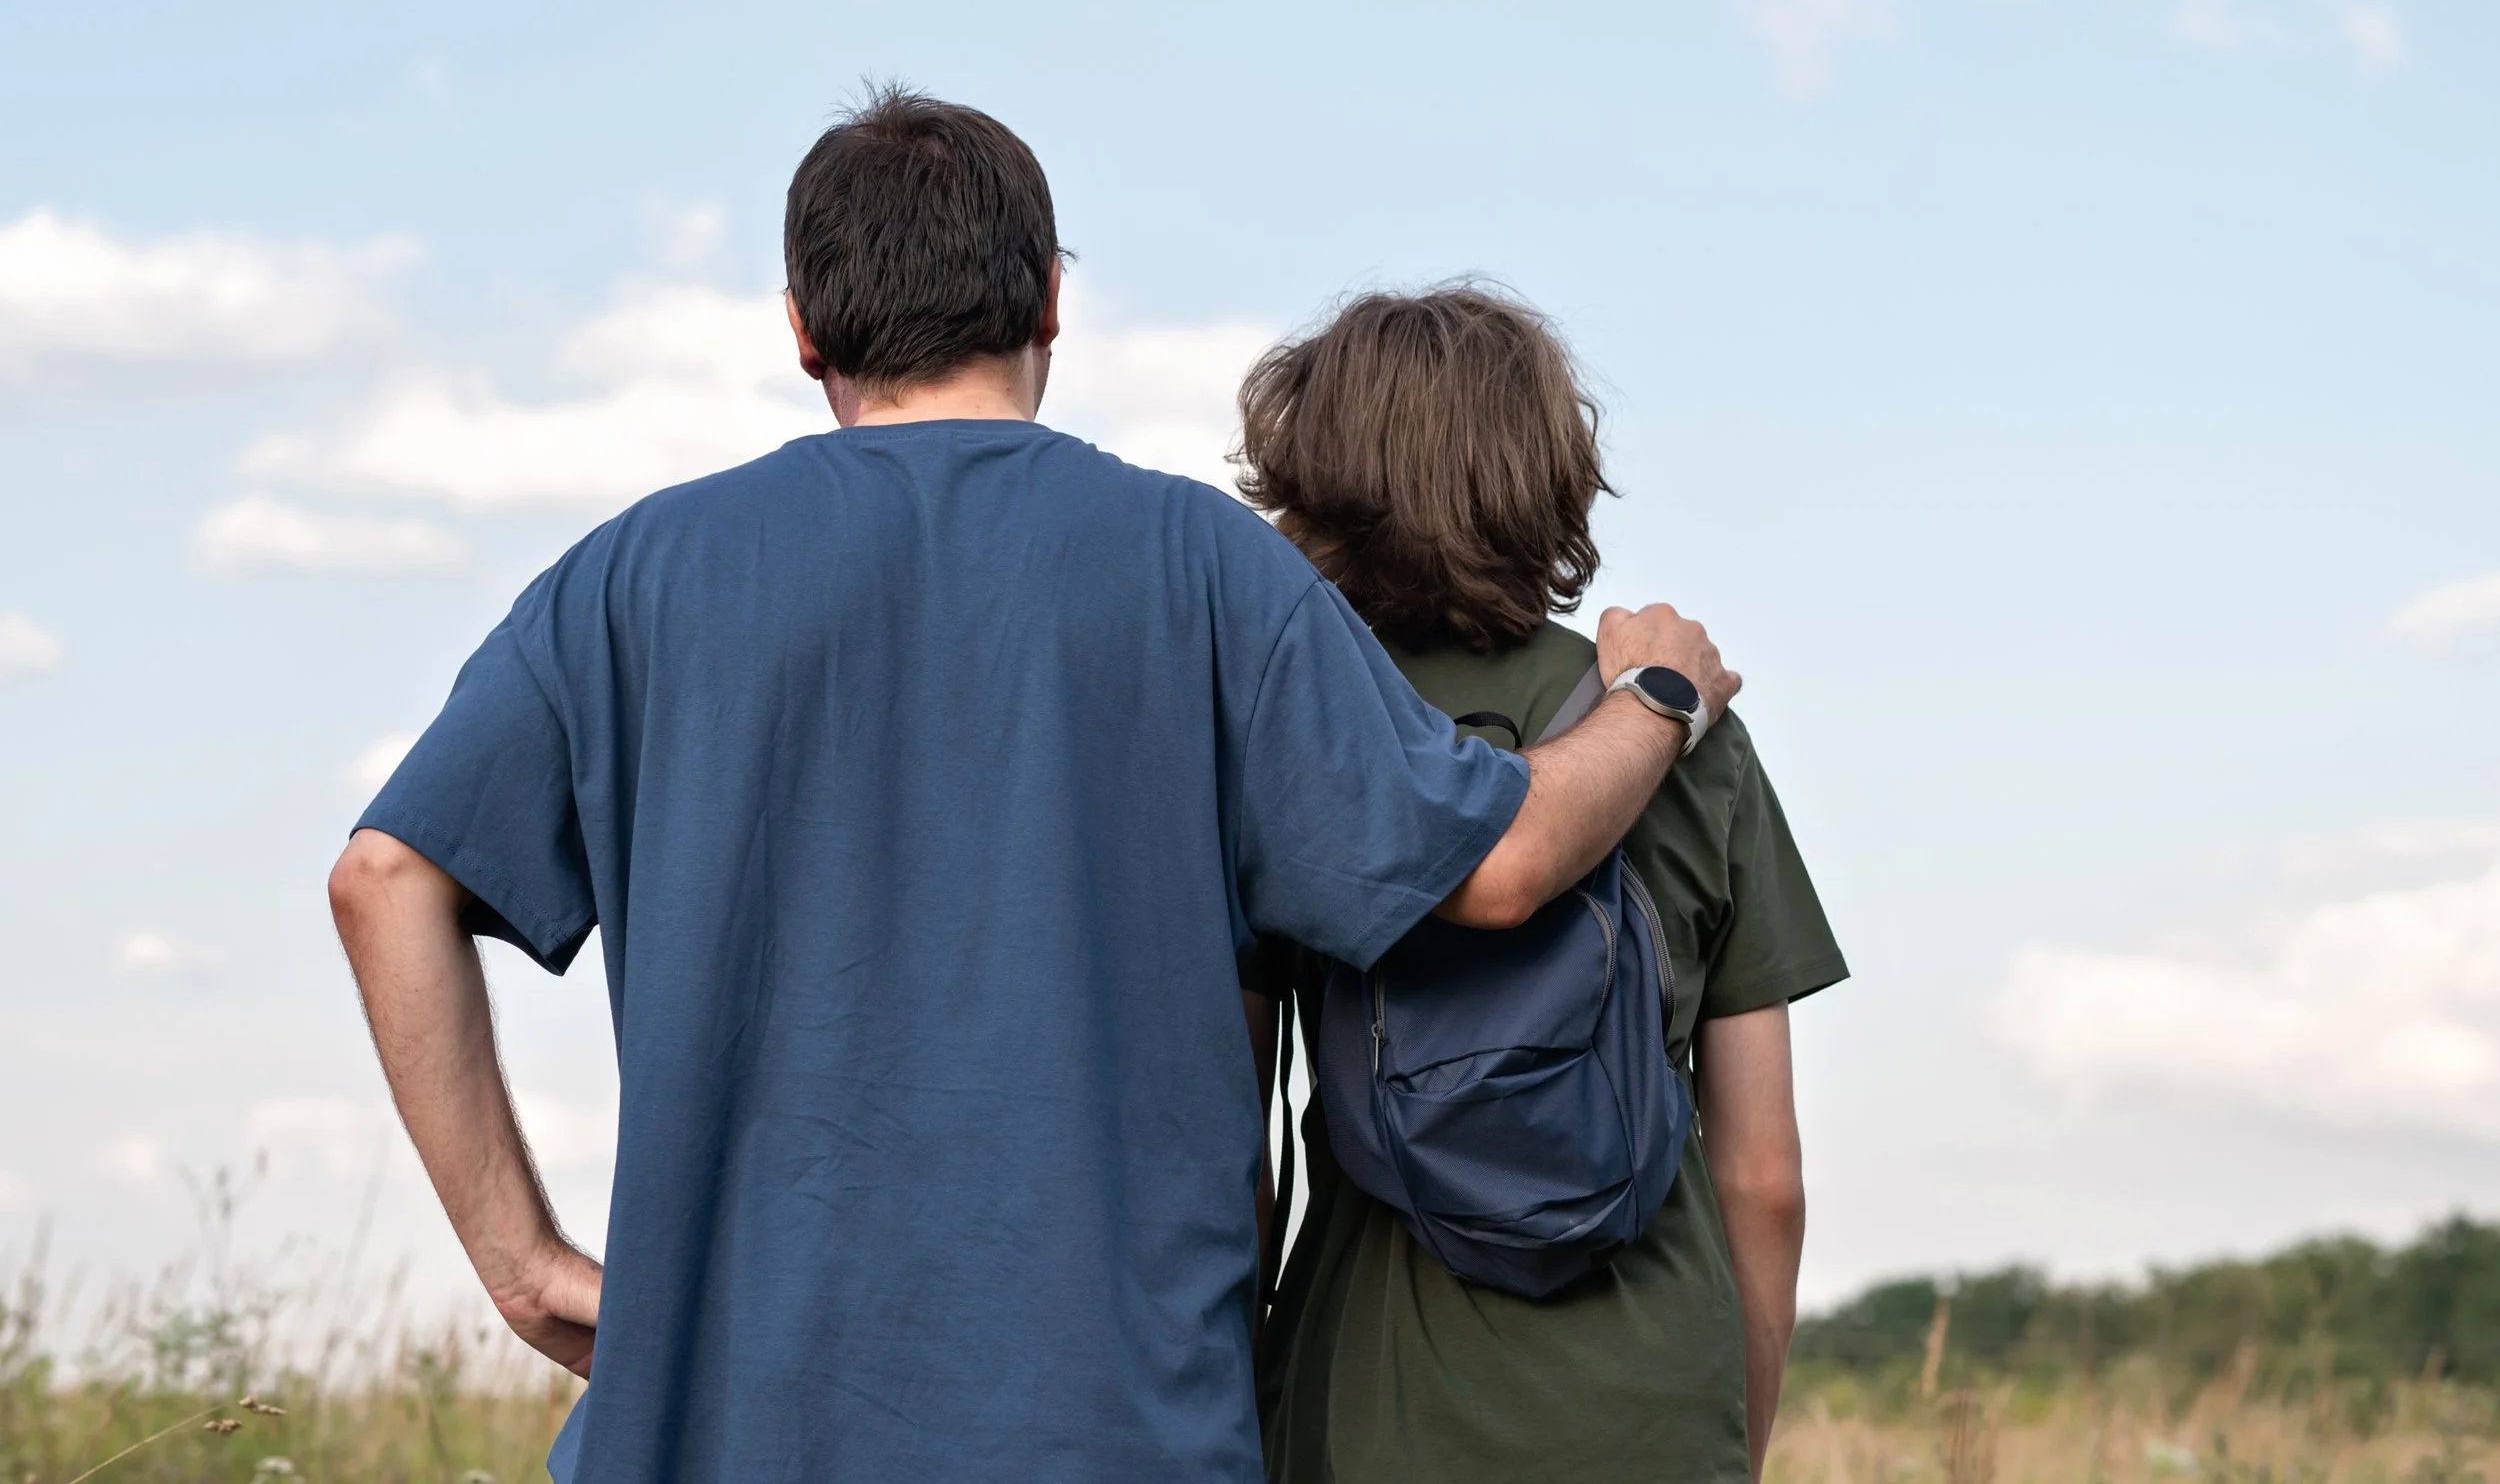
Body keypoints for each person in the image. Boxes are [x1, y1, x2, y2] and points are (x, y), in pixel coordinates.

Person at [323, 90, 1741, 1483]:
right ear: (1050, 304)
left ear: (805, 328)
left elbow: (385, 878)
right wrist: (1654, 697)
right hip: (1114, 1429)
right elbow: (1498, 867)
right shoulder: (1203, 568)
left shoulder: (633, 577)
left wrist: (522, 1264)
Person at [1239, 285, 1847, 1484]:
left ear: (1318, 479)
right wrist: (1724, 1432)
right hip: (1645, 1395)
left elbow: (1227, 1159)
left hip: (1366, 1407)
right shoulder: (1686, 728)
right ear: (1548, 472)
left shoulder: (1295, 733)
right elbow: (1763, 1179)